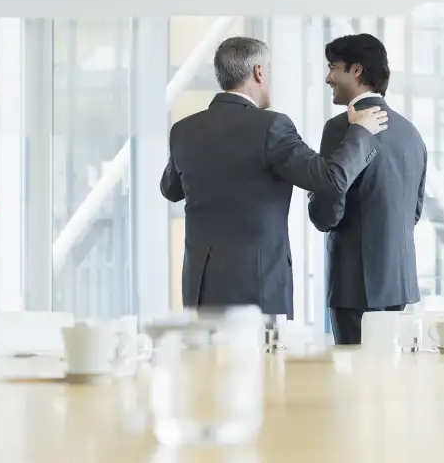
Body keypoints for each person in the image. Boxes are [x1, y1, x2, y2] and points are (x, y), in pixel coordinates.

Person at [160, 36, 388, 319]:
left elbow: (170, 189)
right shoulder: (272, 127)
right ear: (258, 72)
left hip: (201, 285)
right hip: (259, 284)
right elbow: (330, 180)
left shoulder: (184, 130)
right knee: (262, 362)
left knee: (210, 362)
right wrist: (359, 133)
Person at [308, 33, 427, 345]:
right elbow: (413, 213)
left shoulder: (342, 128)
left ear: (356, 70)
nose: (327, 77)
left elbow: (326, 214)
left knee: (354, 385)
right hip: (398, 284)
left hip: (354, 284)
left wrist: (316, 196)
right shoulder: (411, 134)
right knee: (388, 384)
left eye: (333, 67)